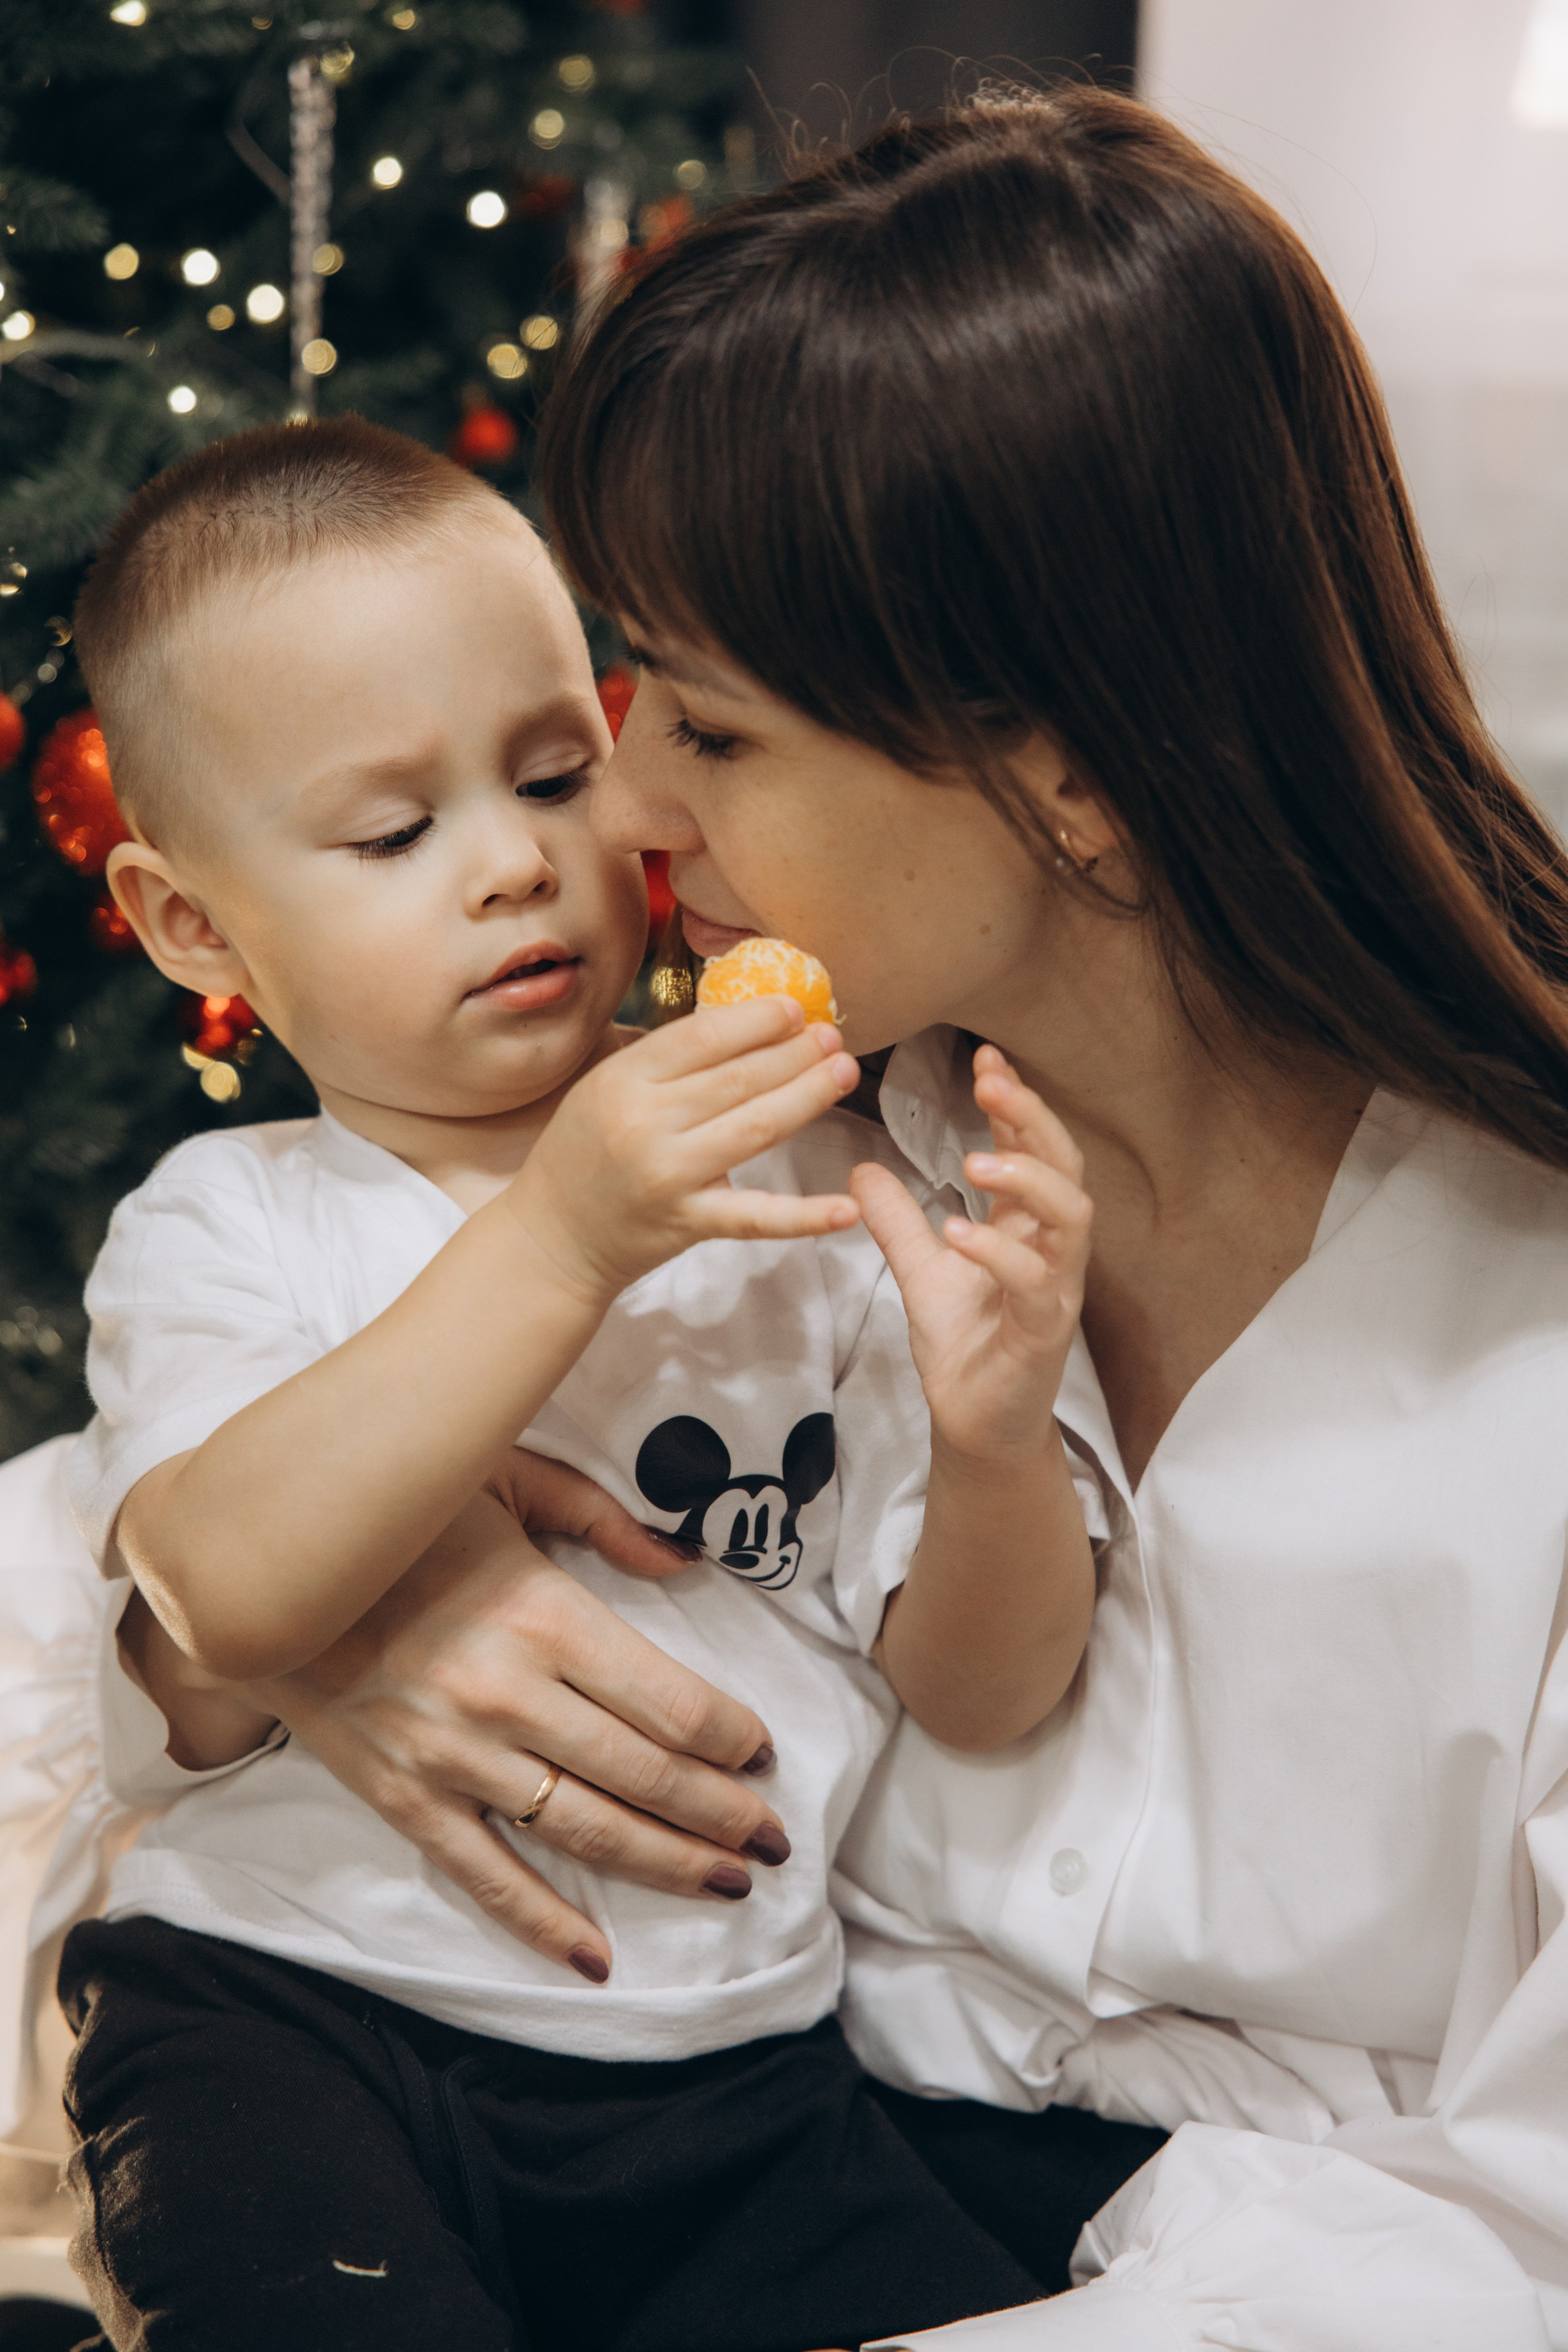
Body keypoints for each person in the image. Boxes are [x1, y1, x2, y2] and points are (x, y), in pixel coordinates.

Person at [75, 80, 1568, 2348]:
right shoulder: (760, 1139)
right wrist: (280, 1634)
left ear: (1064, 773)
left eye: (711, 731)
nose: (623, 815)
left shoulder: (1505, 1330)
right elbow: (194, 1453)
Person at [56, 414, 1102, 2352]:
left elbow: (982, 1687)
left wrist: (992, 1442)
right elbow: (229, 1589)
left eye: (554, 772)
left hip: (737, 2073)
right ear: (193, 924)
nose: (515, 867)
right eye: (391, 834)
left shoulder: (830, 1174)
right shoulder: (233, 1224)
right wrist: (560, 1236)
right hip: (291, 2029)